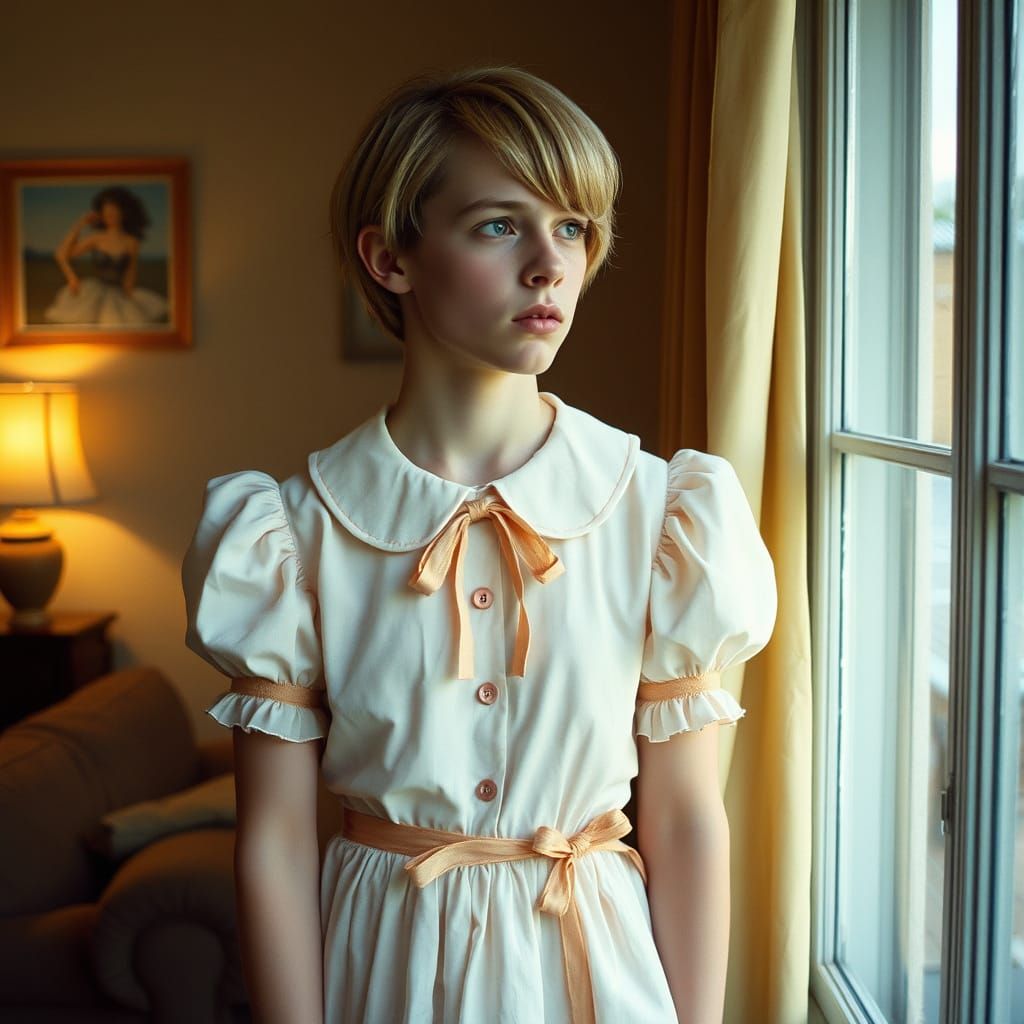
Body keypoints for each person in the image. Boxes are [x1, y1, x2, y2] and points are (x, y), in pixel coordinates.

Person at [181, 65, 778, 1024]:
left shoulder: (664, 514)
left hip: (597, 972)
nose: (550, 264)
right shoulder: (289, 535)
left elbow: (684, 820)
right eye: (500, 224)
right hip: (386, 972)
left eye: (573, 227)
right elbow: (276, 846)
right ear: (390, 259)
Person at [44, 186, 169, 325]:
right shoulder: (96, 238)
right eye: (107, 213)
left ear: (124, 213)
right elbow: (61, 254)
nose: (111, 216)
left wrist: (129, 293)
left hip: (119, 293)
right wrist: (79, 225)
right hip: (95, 292)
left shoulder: (132, 242)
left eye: (115, 212)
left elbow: (131, 271)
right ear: (102, 215)